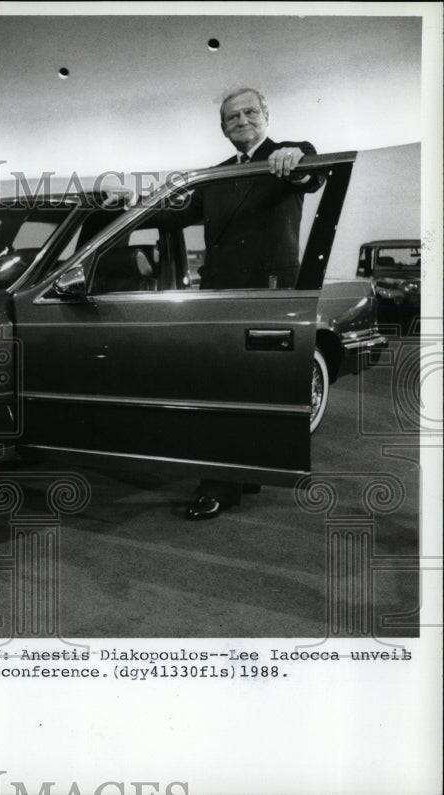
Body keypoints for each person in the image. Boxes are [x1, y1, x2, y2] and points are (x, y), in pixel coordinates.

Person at [183, 87, 323, 520]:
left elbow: (312, 173)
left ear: (266, 115)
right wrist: (124, 204)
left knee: (257, 387)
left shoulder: (289, 156)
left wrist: (295, 159)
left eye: (249, 112)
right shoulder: (215, 175)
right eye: (231, 117)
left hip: (269, 294)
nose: (240, 121)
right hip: (221, 297)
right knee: (222, 387)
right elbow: (173, 213)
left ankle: (229, 480)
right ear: (223, 129)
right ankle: (231, 479)